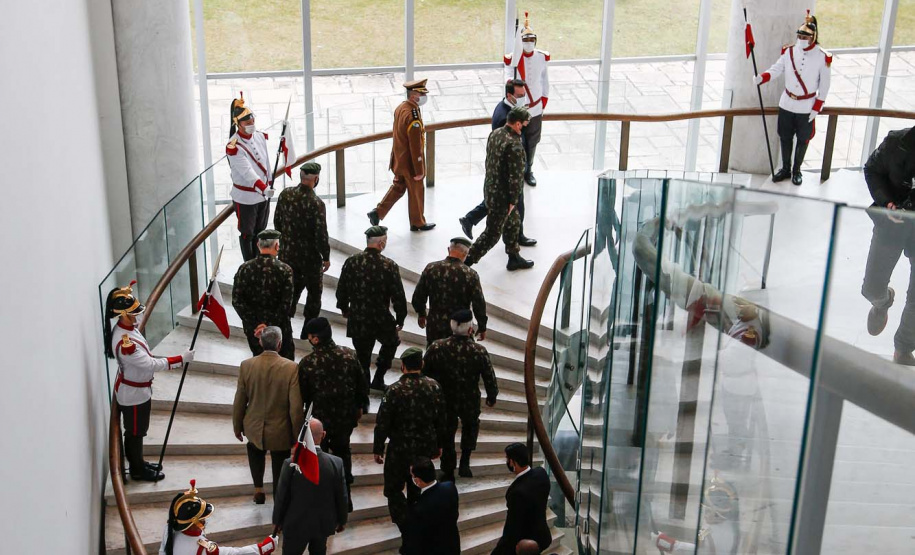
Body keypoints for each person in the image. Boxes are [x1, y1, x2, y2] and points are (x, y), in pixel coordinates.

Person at [104, 281, 193, 482]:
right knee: (135, 433)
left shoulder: (128, 328)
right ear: (124, 315)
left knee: (139, 430)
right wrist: (180, 359)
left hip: (139, 391)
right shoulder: (125, 343)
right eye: (133, 313)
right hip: (134, 395)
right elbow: (150, 365)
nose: (137, 316)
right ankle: (136, 469)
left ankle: (140, 462)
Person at [754, 10, 832, 186]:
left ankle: (797, 170)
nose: (801, 40)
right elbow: (777, 69)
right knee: (785, 136)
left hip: (807, 105)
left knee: (803, 140)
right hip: (787, 102)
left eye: (805, 37)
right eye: (800, 36)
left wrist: (816, 107)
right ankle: (786, 169)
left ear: (813, 37)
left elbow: (825, 85)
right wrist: (763, 77)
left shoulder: (822, 57)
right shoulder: (789, 52)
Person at [297, 317, 368, 507]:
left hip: (320, 422)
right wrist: (360, 406)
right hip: (345, 418)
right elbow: (362, 385)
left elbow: (303, 395)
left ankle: (325, 498)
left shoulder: (307, 363)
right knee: (343, 454)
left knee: (321, 458)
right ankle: (346, 498)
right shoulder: (349, 355)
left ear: (315, 338)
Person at [373, 347, 447, 527]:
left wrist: (378, 448)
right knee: (419, 486)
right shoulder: (434, 387)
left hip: (399, 449)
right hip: (424, 448)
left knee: (394, 488)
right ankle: (417, 519)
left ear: (402, 366)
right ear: (422, 364)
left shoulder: (394, 390)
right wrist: (440, 444)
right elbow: (442, 420)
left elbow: (382, 422)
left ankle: (403, 524)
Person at [459, 79, 537, 247]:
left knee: (494, 203)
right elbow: (508, 150)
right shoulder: (505, 118)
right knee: (510, 208)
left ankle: (471, 219)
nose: (523, 99)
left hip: (500, 176)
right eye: (520, 96)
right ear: (510, 95)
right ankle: (515, 238)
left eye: (524, 95)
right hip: (508, 174)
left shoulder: (506, 109)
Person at [423, 309, 499, 482]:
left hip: (445, 399)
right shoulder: (479, 351)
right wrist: (492, 395)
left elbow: (424, 372)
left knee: (447, 433)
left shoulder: (437, 347)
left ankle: (448, 468)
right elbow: (489, 376)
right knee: (470, 427)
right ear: (470, 329)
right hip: (469, 398)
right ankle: (465, 462)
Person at [861, 127, 915, 365]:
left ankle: (903, 348)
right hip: (892, 224)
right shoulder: (897, 141)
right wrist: (887, 203)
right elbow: (872, 169)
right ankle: (882, 301)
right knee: (871, 287)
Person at [233, 326, 304, 504]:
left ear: (260, 342)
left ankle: (258, 489)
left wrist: (237, 425)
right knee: (280, 460)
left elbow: (240, 399)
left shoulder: (246, 365)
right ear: (280, 344)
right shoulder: (291, 368)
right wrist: (298, 435)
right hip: (280, 429)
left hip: (254, 427)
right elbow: (296, 407)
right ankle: (278, 497)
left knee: (254, 451)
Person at [336, 226, 408, 390]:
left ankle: (364, 384)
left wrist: (344, 308)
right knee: (391, 342)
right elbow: (398, 295)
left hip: (358, 317)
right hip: (381, 318)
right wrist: (400, 318)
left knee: (362, 355)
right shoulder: (389, 265)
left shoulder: (352, 261)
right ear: (381, 243)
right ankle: (379, 378)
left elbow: (342, 289)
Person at [465, 106, 534, 271]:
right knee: (492, 234)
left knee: (513, 222)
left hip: (490, 189)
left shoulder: (495, 134)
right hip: (503, 197)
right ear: (517, 124)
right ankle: (466, 262)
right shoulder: (515, 145)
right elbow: (516, 177)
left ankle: (513, 256)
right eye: (523, 125)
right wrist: (512, 201)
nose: (523, 128)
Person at [367, 79, 436, 231]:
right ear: (413, 96)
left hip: (398, 159)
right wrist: (419, 169)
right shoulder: (413, 116)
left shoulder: (401, 108)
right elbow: (415, 145)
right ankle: (418, 222)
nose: (423, 97)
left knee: (398, 187)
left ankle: (377, 212)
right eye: (421, 93)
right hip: (410, 163)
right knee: (416, 191)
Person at [273, 418, 348, 555]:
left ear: (302, 436)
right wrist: (342, 519)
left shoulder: (290, 463)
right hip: (322, 524)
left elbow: (282, 496)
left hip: (295, 524)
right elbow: (342, 495)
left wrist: (277, 521)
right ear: (323, 435)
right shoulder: (336, 463)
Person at [274, 162, 331, 339]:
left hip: (287, 255)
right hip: (309, 260)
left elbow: (277, 222)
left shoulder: (285, 194)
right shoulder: (316, 203)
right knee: (314, 294)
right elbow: (321, 234)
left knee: (290, 291)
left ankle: (284, 324)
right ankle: (308, 330)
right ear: (316, 179)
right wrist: (326, 256)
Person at [159, 479, 277, 555]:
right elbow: (235, 553)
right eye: (202, 519)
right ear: (193, 522)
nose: (205, 521)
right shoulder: (203, 549)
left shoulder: (169, 530)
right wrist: (263, 548)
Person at [233, 229, 296, 360]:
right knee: (285, 364)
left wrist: (257, 325)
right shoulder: (285, 270)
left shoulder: (244, 269)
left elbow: (237, 301)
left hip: (255, 331)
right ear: (277, 246)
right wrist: (268, 326)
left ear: (257, 245)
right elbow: (286, 304)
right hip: (279, 330)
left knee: (259, 363)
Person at [412, 237, 488, 345]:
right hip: (460, 328)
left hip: (435, 325)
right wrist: (482, 326)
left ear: (449, 249)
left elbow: (418, 296)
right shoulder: (471, 275)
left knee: (433, 356)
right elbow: (479, 304)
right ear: (466, 254)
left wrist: (421, 314)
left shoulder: (431, 268)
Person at [503, 13, 550, 187]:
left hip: (535, 108)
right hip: (519, 108)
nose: (529, 43)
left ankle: (528, 169)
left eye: (532, 39)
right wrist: (510, 84)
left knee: (532, 141)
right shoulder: (515, 58)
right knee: (514, 140)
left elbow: (545, 81)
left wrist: (543, 101)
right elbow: (508, 74)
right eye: (525, 39)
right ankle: (514, 169)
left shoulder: (541, 57)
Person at [227, 92, 274, 261]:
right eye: (247, 122)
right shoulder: (234, 147)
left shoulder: (259, 136)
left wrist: (268, 182)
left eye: (252, 120)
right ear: (238, 124)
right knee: (248, 233)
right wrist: (263, 187)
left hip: (263, 193)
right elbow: (247, 172)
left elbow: (266, 163)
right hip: (246, 197)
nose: (251, 123)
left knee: (261, 231)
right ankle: (249, 263)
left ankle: (259, 259)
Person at [491, 443, 551, 555]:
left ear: (513, 462)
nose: (507, 462)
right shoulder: (541, 474)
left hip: (526, 544)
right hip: (543, 535)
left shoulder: (516, 493)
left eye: (508, 459)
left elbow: (512, 530)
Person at [400, 456, 460, 555]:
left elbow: (415, 542)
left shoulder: (419, 509)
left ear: (418, 480)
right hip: (452, 546)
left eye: (412, 475)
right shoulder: (450, 487)